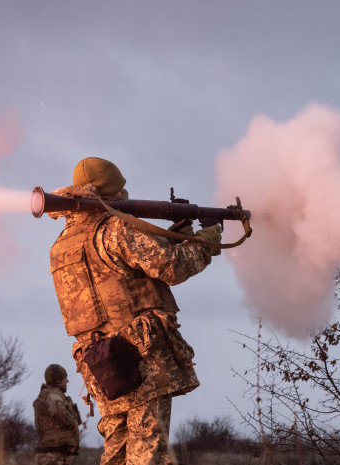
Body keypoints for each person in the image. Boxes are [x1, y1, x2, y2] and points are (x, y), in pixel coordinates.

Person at [47, 157, 222, 465]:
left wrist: (176, 235)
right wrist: (204, 243)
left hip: (100, 364)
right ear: (109, 191)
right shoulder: (116, 229)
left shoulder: (62, 245)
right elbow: (171, 266)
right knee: (147, 454)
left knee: (116, 453)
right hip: (140, 358)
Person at [33, 363, 83, 465]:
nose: (67, 381)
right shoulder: (53, 397)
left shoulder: (47, 395)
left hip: (53, 454)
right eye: (65, 378)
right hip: (53, 455)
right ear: (58, 379)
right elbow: (65, 417)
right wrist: (73, 421)